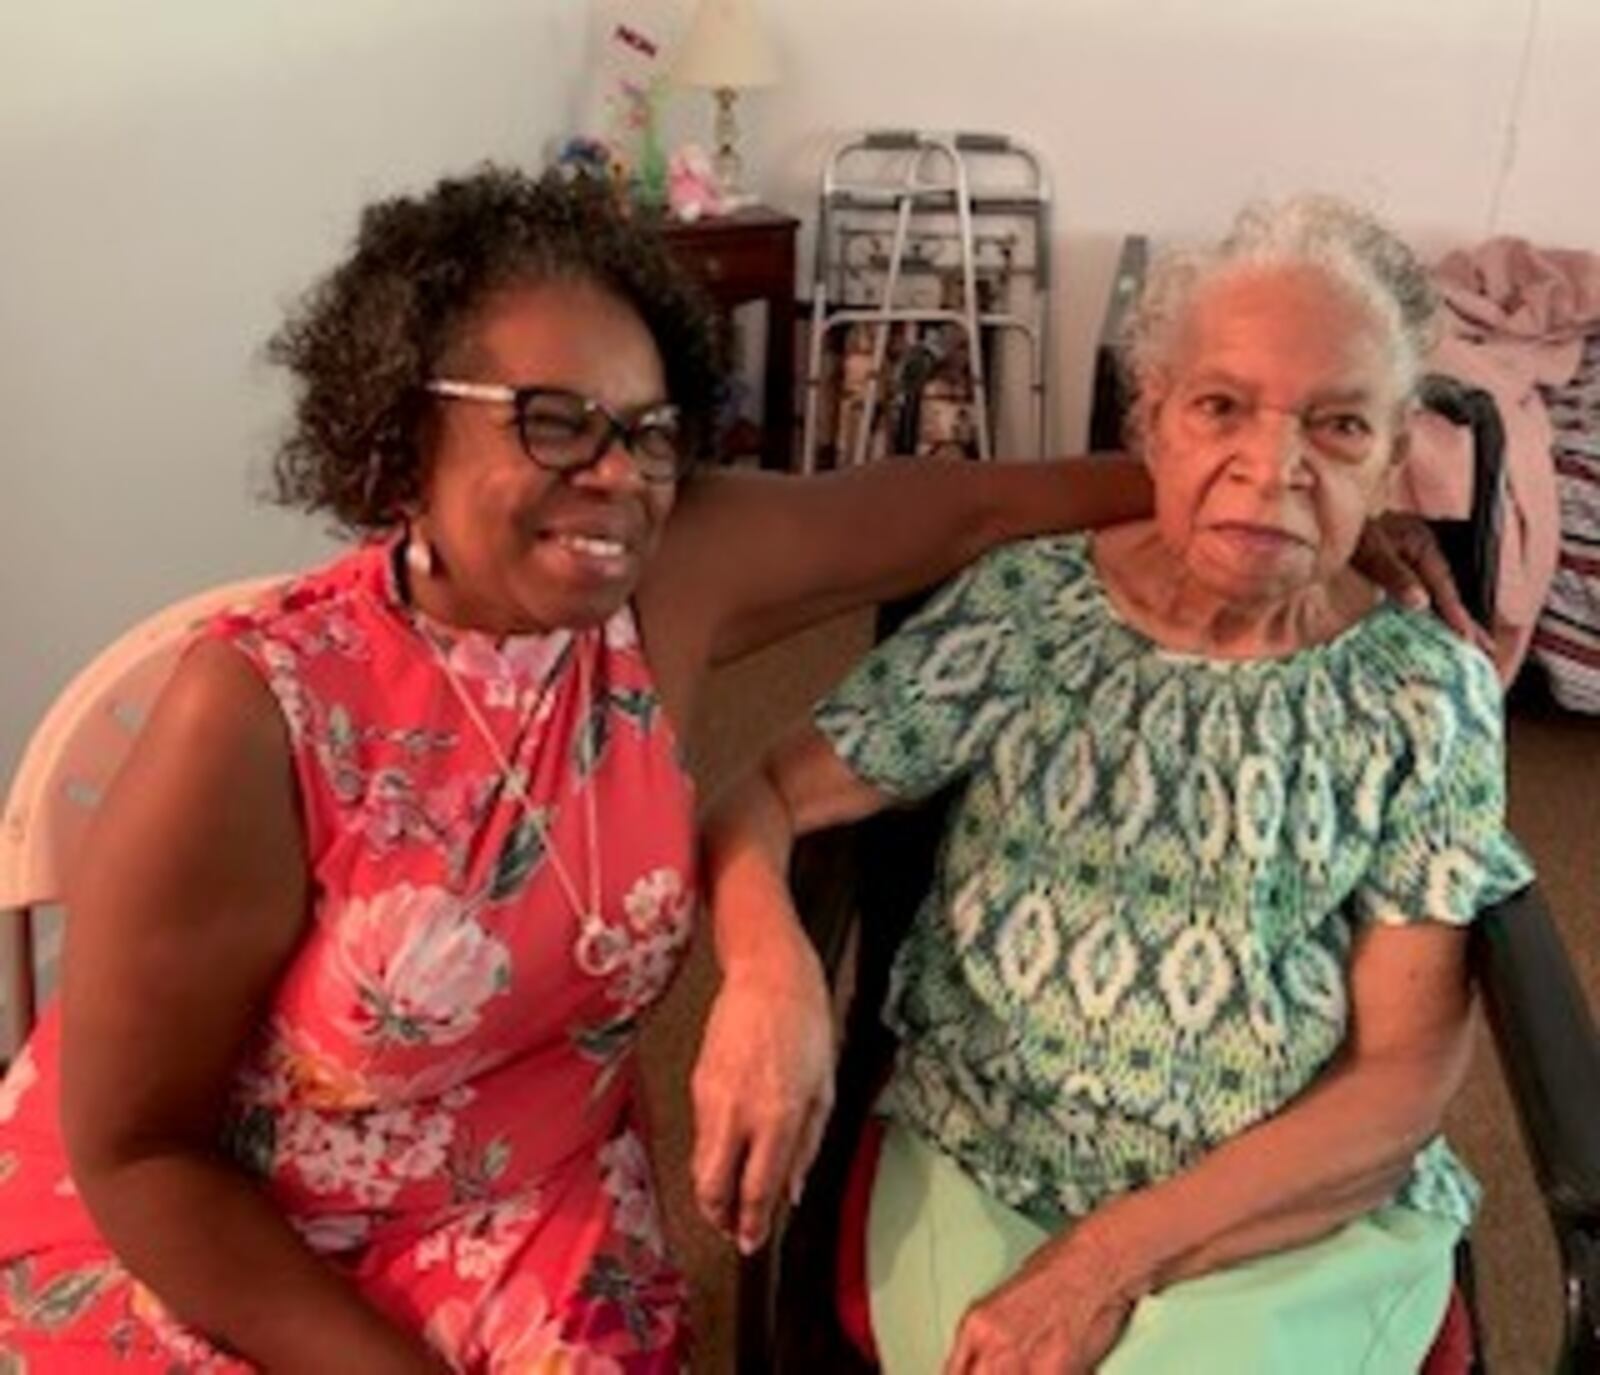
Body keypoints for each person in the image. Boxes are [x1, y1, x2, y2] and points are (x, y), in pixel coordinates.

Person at [0, 166, 1466, 1373]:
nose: (614, 474)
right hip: (230, 1235)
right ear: (404, 427)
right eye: (551, 419)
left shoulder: (669, 567)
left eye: (648, 432)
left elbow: (969, 506)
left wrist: (1264, 499)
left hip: (533, 1203)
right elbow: (137, 1154)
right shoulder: (253, 706)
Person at [700, 195, 1533, 1374]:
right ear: (1153, 420)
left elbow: (1401, 1078)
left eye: (1339, 426)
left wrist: (1105, 1260)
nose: (1271, 467)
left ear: (1392, 459)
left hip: (1281, 1205)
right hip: (984, 1150)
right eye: (1219, 406)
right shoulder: (1028, 609)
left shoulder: (1424, 692)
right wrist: (766, 970)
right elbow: (760, 795)